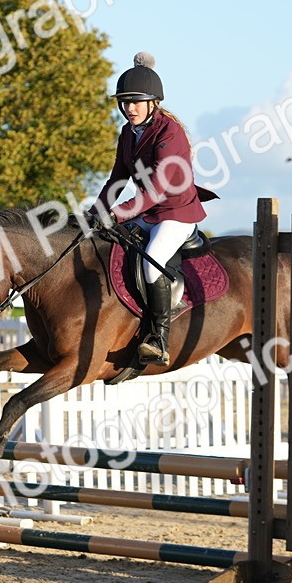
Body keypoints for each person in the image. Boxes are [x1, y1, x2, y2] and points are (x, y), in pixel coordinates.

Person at [90, 52, 218, 366]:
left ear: (153, 103)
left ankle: (159, 339)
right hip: (148, 213)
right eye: (124, 102)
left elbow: (156, 189)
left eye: (136, 102)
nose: (129, 108)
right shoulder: (127, 134)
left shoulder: (169, 133)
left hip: (176, 213)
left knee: (152, 263)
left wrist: (118, 213)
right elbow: (118, 179)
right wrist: (96, 211)